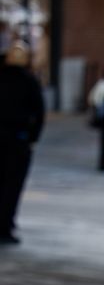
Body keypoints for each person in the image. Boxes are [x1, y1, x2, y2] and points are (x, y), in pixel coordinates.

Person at [0, 41, 45, 245]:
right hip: (18, 140)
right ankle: (5, 225)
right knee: (12, 185)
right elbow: (39, 113)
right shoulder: (29, 81)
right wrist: (32, 137)